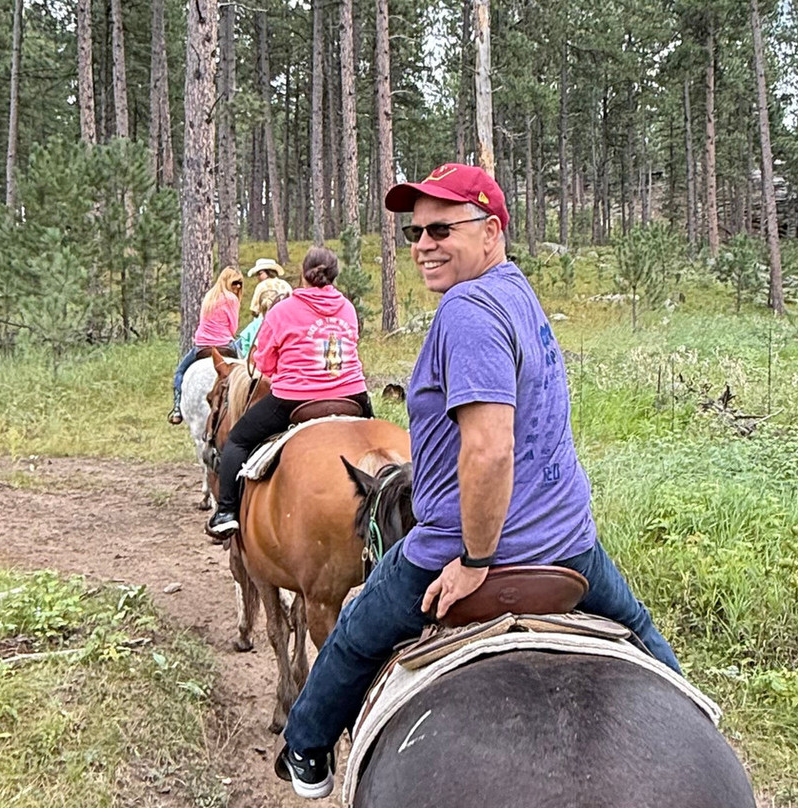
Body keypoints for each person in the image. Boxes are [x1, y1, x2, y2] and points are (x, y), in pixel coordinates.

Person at [272, 163, 682, 799]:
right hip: (570, 543)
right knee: (642, 627)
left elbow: (489, 449)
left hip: (473, 547)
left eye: (441, 228)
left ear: (491, 230)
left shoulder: (467, 309)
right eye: (413, 233)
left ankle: (306, 751)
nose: (423, 244)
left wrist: (474, 558)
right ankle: (693, 712)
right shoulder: (517, 290)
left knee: (352, 639)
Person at [207, 247, 372, 539]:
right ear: (333, 275)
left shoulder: (283, 310)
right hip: (353, 396)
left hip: (296, 399)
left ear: (302, 274)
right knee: (376, 440)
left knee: (238, 440)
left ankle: (226, 512)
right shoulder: (347, 307)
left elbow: (263, 362)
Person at [168, 266, 244, 425]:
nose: (237, 287)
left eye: (240, 284)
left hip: (202, 346)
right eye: (235, 283)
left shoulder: (209, 296)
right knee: (246, 371)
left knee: (180, 372)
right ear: (227, 282)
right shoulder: (231, 299)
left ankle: (177, 408)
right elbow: (233, 327)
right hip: (224, 345)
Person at [235, 276, 293, 358]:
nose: (258, 276)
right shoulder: (285, 285)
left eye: (259, 273)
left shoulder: (262, 286)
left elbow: (254, 309)